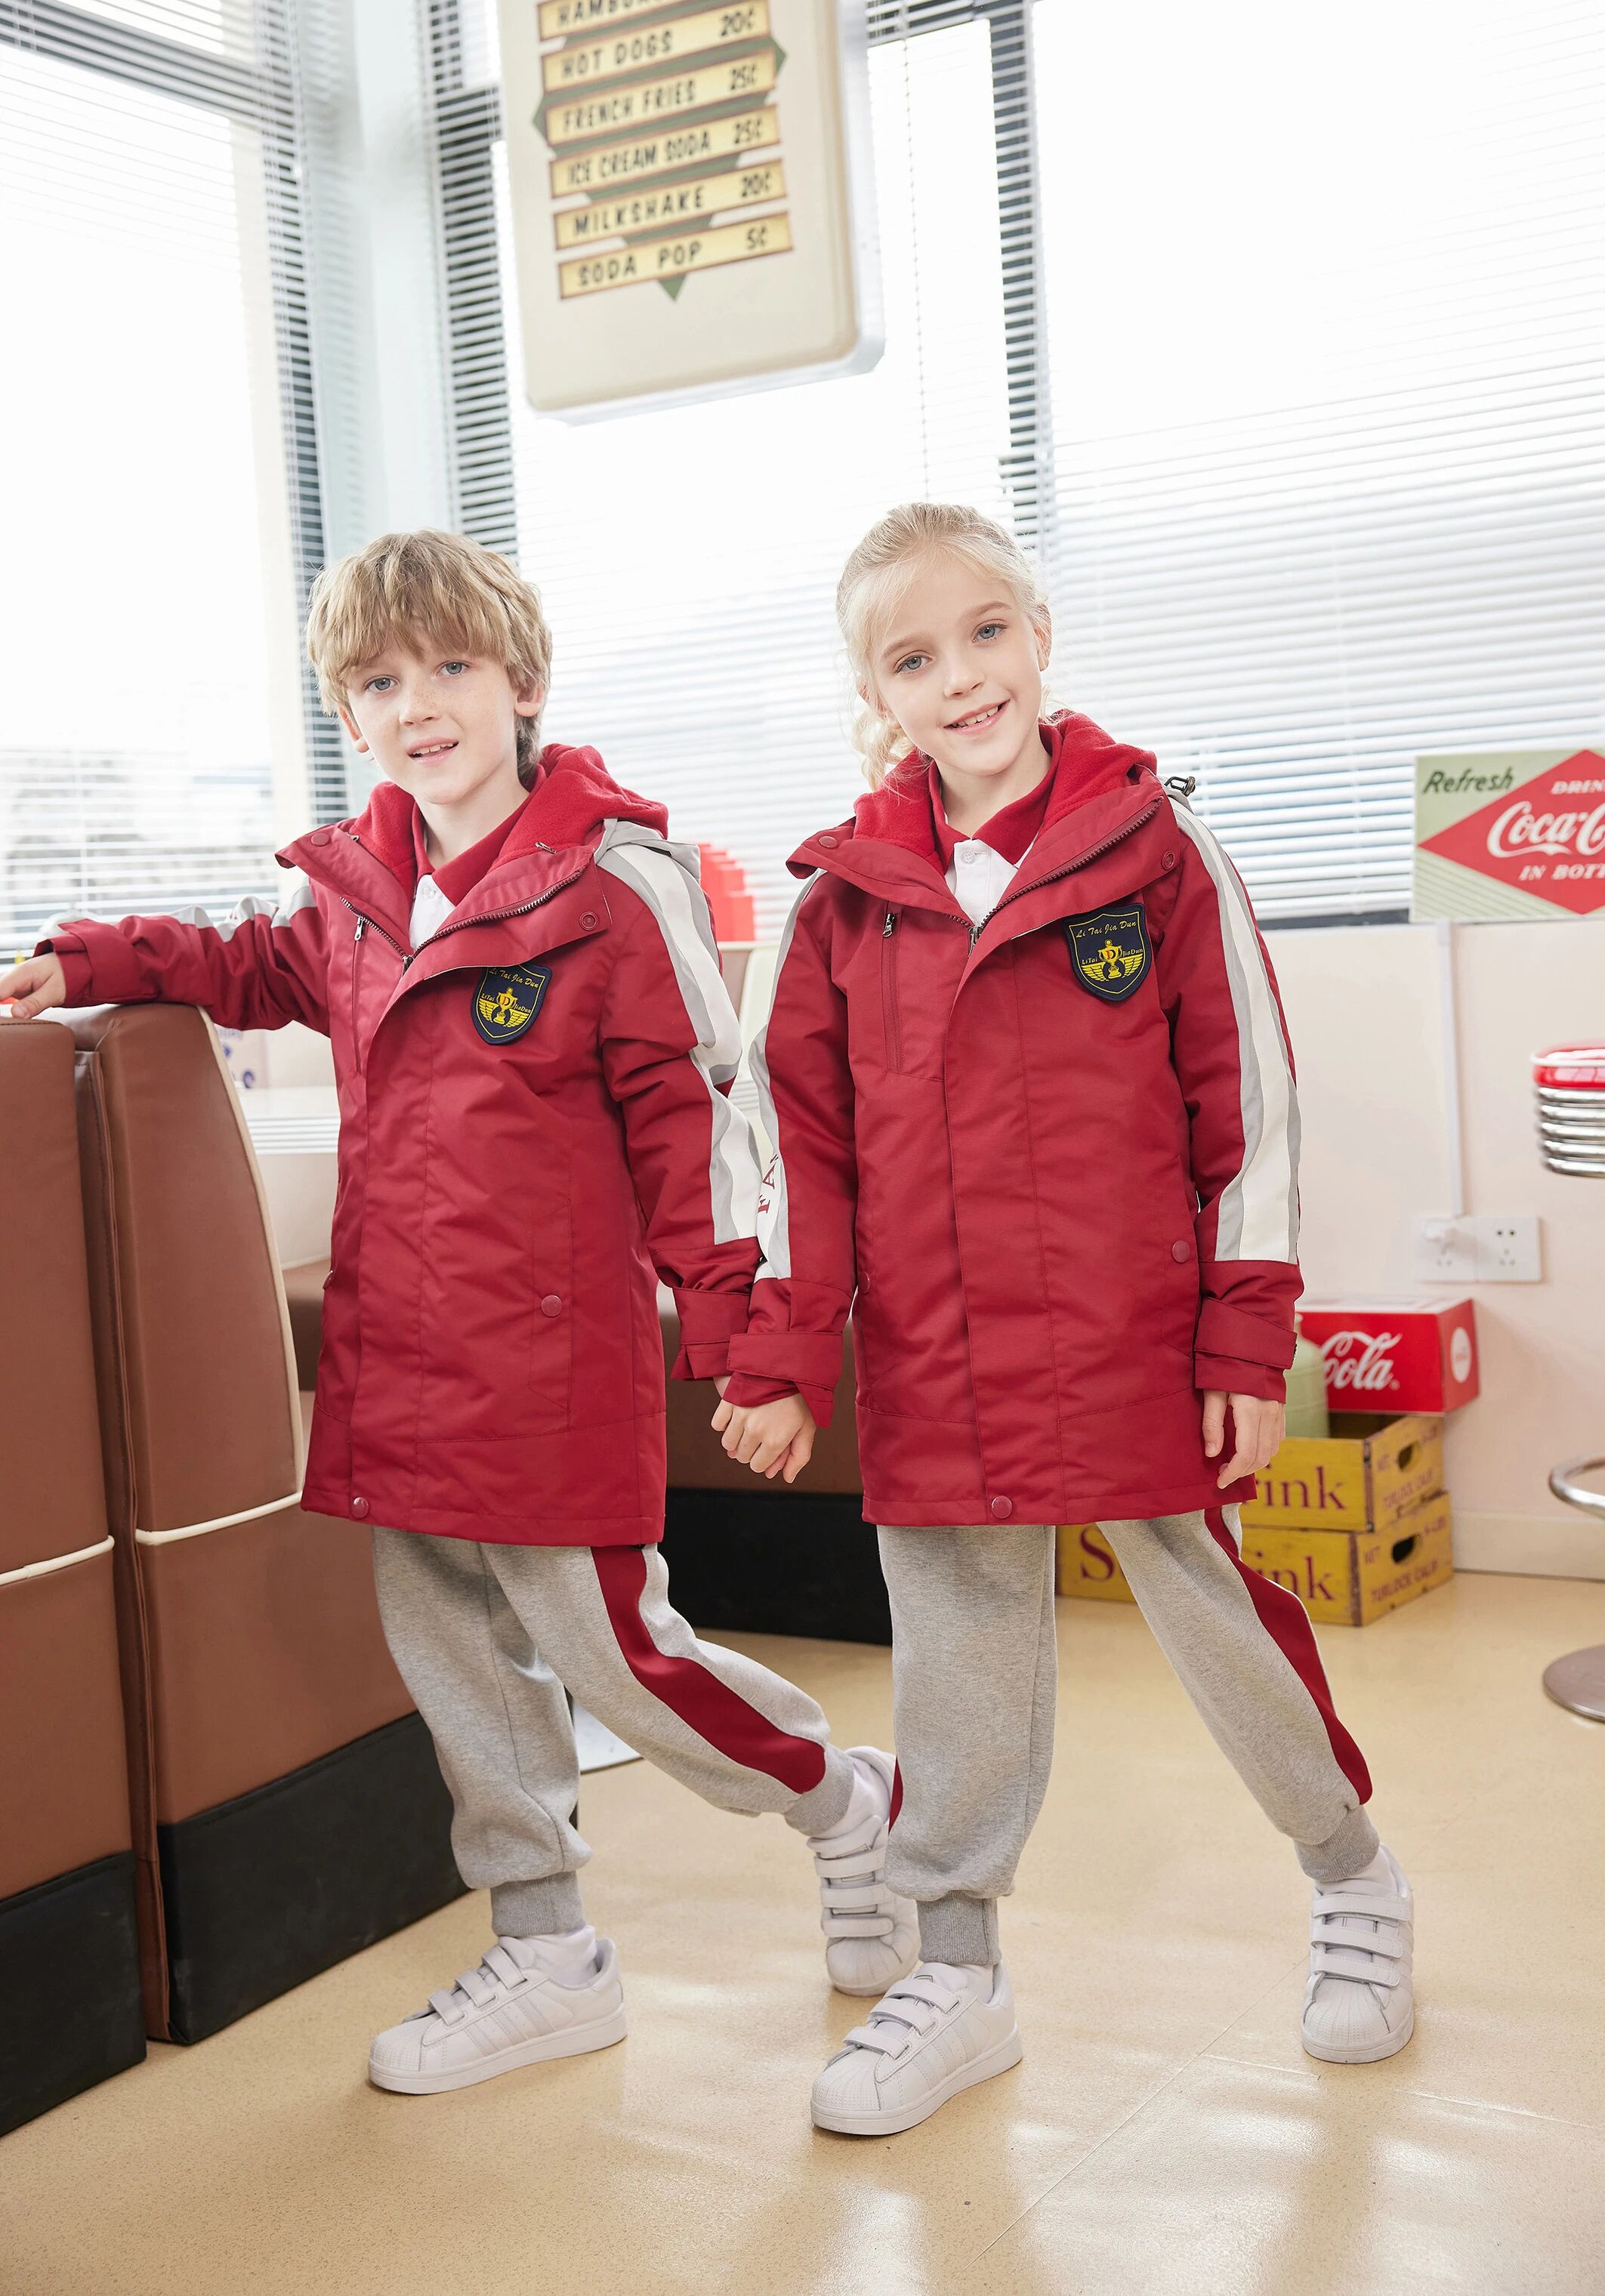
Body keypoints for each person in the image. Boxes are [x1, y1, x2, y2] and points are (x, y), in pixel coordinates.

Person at [0, 529, 917, 2095]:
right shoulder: (355, 891)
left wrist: (747, 1347)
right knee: (456, 1671)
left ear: (522, 682)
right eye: (377, 681)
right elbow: (246, 964)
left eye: (448, 666)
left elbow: (701, 1125)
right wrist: (84, 953)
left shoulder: (613, 883)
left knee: (618, 1658)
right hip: (401, 1359)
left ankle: (847, 1803)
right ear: (347, 713)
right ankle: (547, 1948)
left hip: (553, 1367)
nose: (416, 704)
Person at [713, 502, 1415, 2138]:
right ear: (874, 693)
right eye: (913, 658)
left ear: (1038, 635)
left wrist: (1243, 1342)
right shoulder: (836, 906)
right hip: (939, 1357)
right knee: (956, 1659)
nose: (960, 677)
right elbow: (793, 1154)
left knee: (1213, 1620)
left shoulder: (1157, 852)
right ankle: (956, 1971)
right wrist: (784, 1355)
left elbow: (1250, 1116)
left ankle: (1353, 1874)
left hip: (1134, 1342)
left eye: (985, 633)